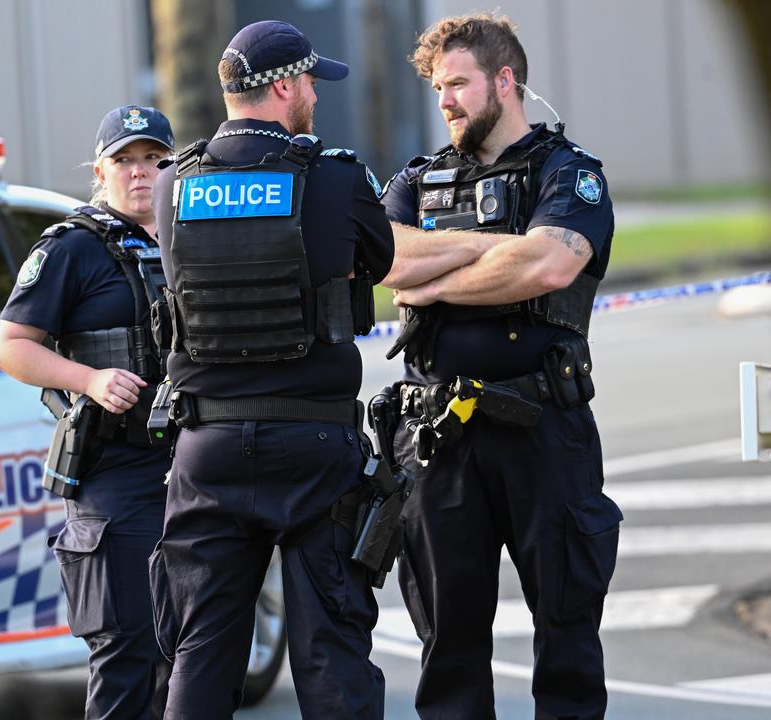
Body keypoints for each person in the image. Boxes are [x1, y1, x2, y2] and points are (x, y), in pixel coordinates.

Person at [148, 20, 394, 720]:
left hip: (207, 450)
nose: (315, 91)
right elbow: (377, 262)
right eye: (311, 80)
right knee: (332, 652)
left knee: (200, 653)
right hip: (313, 446)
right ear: (284, 86)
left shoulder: (172, 187)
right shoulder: (338, 178)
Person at [378, 12, 620, 720]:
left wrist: (440, 273)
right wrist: (499, 249)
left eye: (457, 83)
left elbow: (549, 263)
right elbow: (390, 264)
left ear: (505, 81)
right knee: (447, 645)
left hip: (544, 426)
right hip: (438, 436)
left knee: (568, 637)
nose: (445, 100)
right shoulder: (416, 182)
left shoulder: (568, 173)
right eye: (436, 87)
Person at [0, 105, 174, 720]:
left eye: (155, 160)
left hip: (196, 465)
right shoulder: (74, 248)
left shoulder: (195, 238)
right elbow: (8, 345)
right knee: (127, 653)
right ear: (101, 169)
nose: (141, 173)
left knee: (191, 657)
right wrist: (89, 378)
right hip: (116, 470)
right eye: (125, 160)